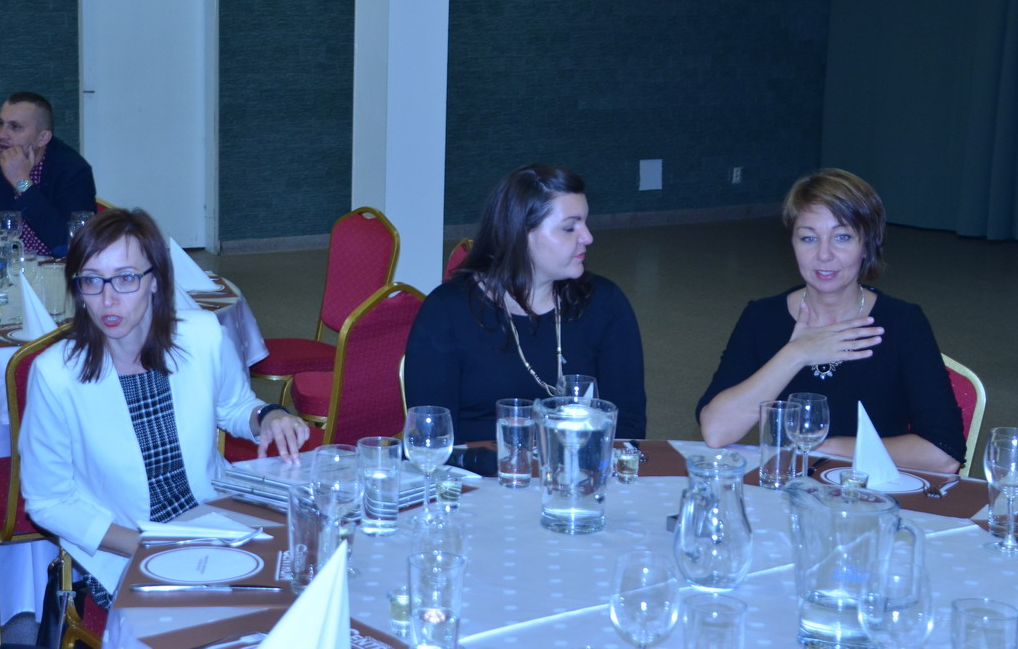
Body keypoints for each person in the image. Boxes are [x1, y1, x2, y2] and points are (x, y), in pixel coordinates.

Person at [19, 208, 310, 610]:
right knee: (215, 617)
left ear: (154, 280)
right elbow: (48, 502)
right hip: (124, 545)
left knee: (296, 590)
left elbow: (235, 406)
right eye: (92, 281)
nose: (107, 299)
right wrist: (146, 544)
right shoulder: (55, 375)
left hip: (213, 518)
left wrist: (269, 416)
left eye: (125, 278)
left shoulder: (202, 336)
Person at [696, 168, 964, 474]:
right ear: (793, 244)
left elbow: (944, 454)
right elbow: (716, 432)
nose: (824, 255)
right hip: (787, 492)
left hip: (872, 493)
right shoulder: (762, 317)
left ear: (867, 244)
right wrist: (797, 353)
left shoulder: (902, 323)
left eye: (842, 237)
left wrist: (824, 448)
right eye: (808, 238)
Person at [404, 164, 647, 443]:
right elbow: (431, 434)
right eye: (569, 228)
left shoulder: (604, 302)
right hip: (476, 467)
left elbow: (627, 422)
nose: (588, 237)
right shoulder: (447, 311)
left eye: (585, 223)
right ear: (520, 234)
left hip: (579, 465)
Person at [0, 92, 96, 256]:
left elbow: (69, 245)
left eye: (15, 127)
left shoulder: (73, 170)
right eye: (0, 124)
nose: (2, 135)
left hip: (54, 267)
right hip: (2, 266)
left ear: (43, 138)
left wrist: (21, 182)